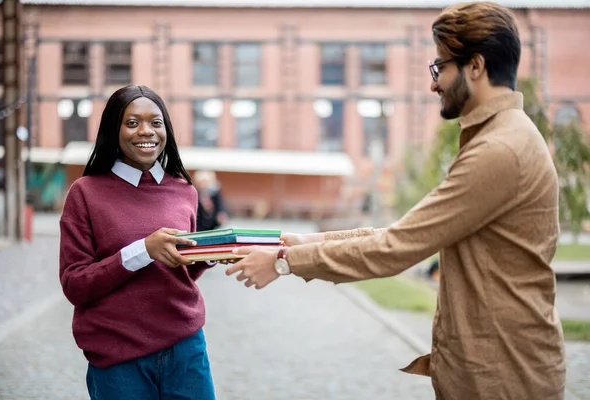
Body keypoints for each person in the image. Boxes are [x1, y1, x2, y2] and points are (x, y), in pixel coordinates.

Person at [225, 2, 566, 399]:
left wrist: (284, 263)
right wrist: (307, 243)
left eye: (440, 67)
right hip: (497, 369)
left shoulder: (500, 149)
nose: (434, 83)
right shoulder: (503, 136)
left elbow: (396, 249)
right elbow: (409, 233)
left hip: (505, 376)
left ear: (475, 66)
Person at [59, 85, 217, 400]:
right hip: (118, 354)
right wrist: (143, 251)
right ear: (112, 129)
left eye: (155, 122)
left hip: (186, 347)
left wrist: (209, 254)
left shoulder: (185, 190)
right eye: (132, 122)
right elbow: (75, 285)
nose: (146, 131)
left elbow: (179, 272)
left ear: (167, 130)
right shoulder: (85, 192)